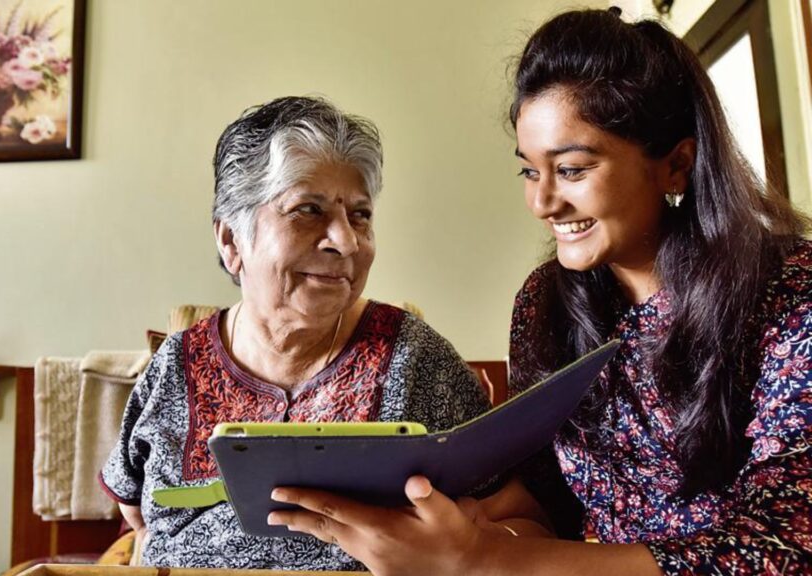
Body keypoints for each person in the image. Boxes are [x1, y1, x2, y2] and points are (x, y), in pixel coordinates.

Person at [267, 8, 812, 575]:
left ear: (676, 166)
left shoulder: (792, 293)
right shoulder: (544, 304)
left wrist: (485, 558)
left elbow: (786, 547)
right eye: (529, 171)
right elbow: (549, 498)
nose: (543, 203)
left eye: (572, 169)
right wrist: (461, 519)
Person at [98, 96, 512, 571]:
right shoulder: (176, 362)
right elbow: (135, 509)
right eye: (308, 209)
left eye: (360, 215)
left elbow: (514, 511)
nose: (346, 241)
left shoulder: (415, 358)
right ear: (232, 240)